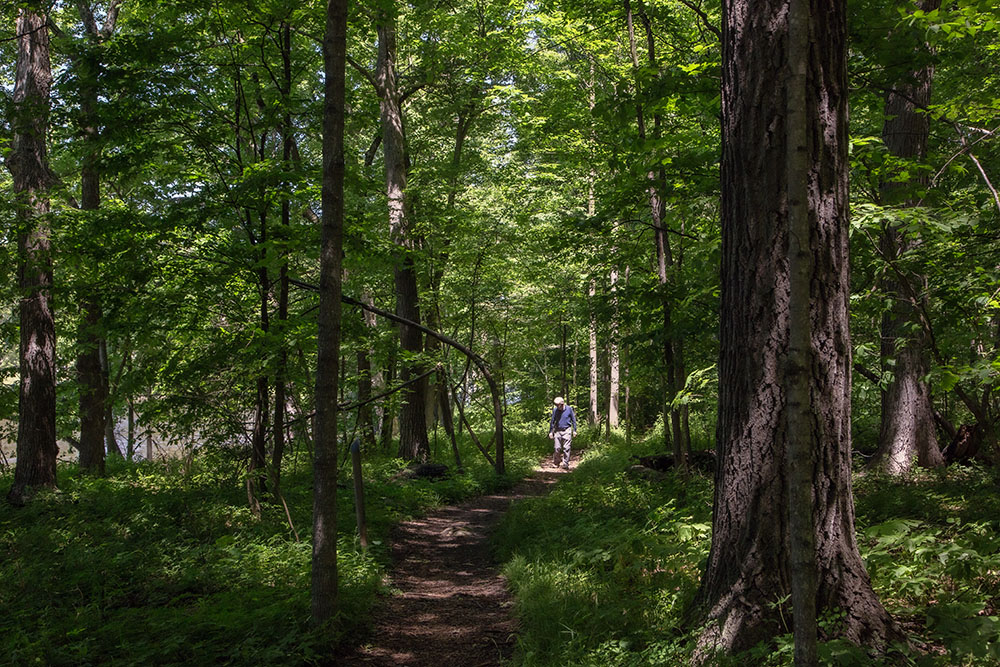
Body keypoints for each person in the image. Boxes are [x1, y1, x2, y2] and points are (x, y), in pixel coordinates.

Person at [548, 396, 576, 470]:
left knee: (567, 448)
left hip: (567, 430)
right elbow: (552, 421)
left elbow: (573, 420)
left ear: (562, 404)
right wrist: (551, 432)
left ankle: (565, 463)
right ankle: (556, 462)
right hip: (557, 430)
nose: (557, 406)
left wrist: (575, 430)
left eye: (558, 405)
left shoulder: (569, 409)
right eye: (556, 405)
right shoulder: (555, 410)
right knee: (557, 448)